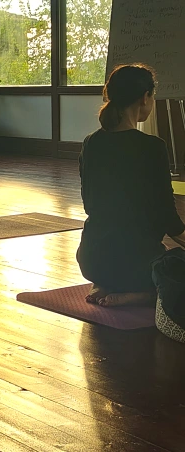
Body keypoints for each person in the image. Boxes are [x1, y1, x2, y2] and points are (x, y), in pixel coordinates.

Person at [78, 64, 185, 307]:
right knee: (176, 264)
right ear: (145, 97)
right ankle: (144, 294)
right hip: (137, 266)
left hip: (91, 260)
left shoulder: (90, 143)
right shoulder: (152, 147)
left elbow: (89, 202)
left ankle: (105, 283)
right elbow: (167, 216)